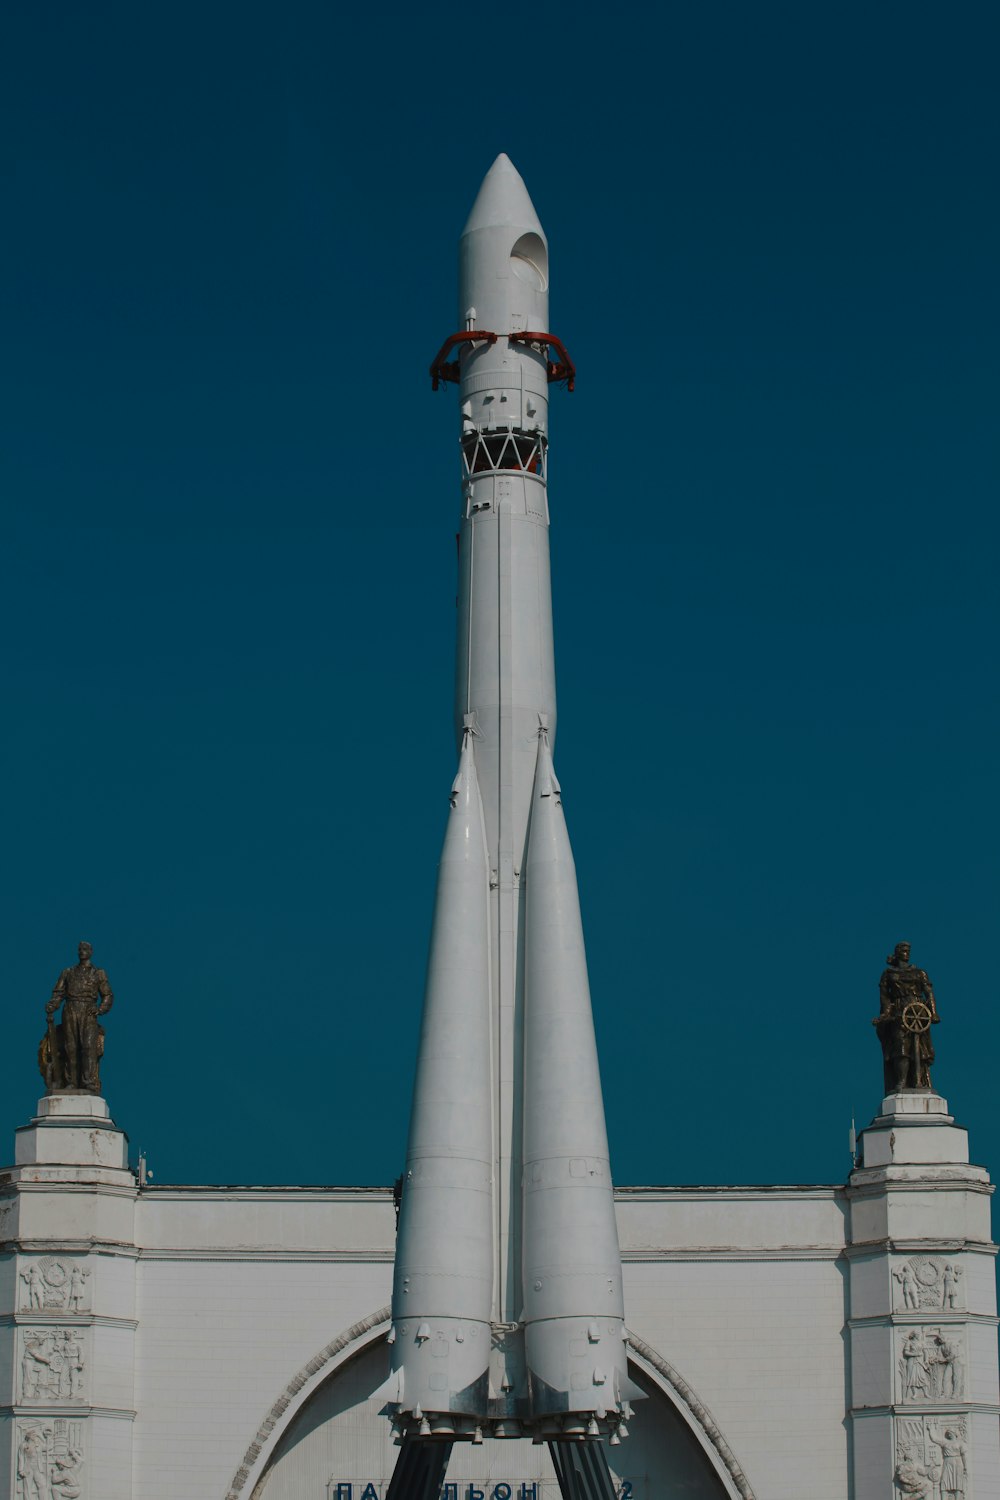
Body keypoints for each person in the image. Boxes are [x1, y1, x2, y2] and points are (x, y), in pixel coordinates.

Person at [46, 941, 114, 1093]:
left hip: (88, 1011)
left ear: (91, 952)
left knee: (88, 1047)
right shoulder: (68, 972)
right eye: (80, 949)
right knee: (70, 1047)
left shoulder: (98, 973)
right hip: (70, 1009)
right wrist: (52, 1005)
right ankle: (71, 1081)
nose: (82, 952)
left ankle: (88, 1081)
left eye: (85, 949)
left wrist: (100, 1009)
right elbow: (58, 993)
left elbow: (108, 994)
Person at [874, 941, 939, 1092]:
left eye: (908, 950)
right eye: (903, 950)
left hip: (918, 1012)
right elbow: (884, 998)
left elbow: (928, 993)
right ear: (897, 953)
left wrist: (933, 1012)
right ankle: (901, 1082)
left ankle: (918, 1081)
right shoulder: (888, 974)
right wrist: (885, 1015)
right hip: (898, 1012)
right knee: (901, 1048)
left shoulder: (919, 973)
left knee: (920, 1048)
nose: (907, 953)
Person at [928, 1427, 967, 1499]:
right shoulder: (945, 1442)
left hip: (957, 1462)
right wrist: (931, 1429)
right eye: (948, 1433)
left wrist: (965, 1466)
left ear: (955, 1434)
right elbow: (934, 1439)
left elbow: (964, 1455)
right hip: (947, 1462)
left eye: (951, 1433)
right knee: (944, 1480)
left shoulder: (960, 1443)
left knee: (957, 1481)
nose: (949, 1434)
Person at [17, 1427, 49, 1500]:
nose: (35, 1436)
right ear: (29, 1436)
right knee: (27, 1487)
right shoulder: (23, 1445)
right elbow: (21, 1456)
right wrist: (21, 1470)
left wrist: (43, 1437)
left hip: (38, 1468)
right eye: (34, 1435)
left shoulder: (38, 1444)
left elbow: (47, 1447)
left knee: (43, 1485)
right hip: (27, 1467)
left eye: (35, 1435)